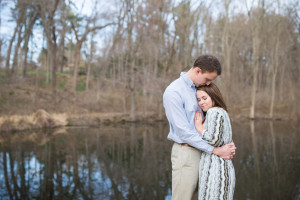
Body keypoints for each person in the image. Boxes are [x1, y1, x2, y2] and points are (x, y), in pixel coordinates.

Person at [163, 55, 236, 200]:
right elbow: (184, 132)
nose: (209, 84)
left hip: (206, 154)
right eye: (207, 79)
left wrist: (225, 143)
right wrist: (216, 150)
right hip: (187, 153)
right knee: (183, 197)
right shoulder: (174, 92)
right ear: (198, 71)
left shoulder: (198, 89)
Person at [195, 83, 235, 200]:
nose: (201, 102)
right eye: (198, 100)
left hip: (217, 172)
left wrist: (199, 127)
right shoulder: (222, 112)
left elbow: (213, 139)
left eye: (204, 98)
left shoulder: (214, 112)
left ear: (214, 96)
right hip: (220, 169)